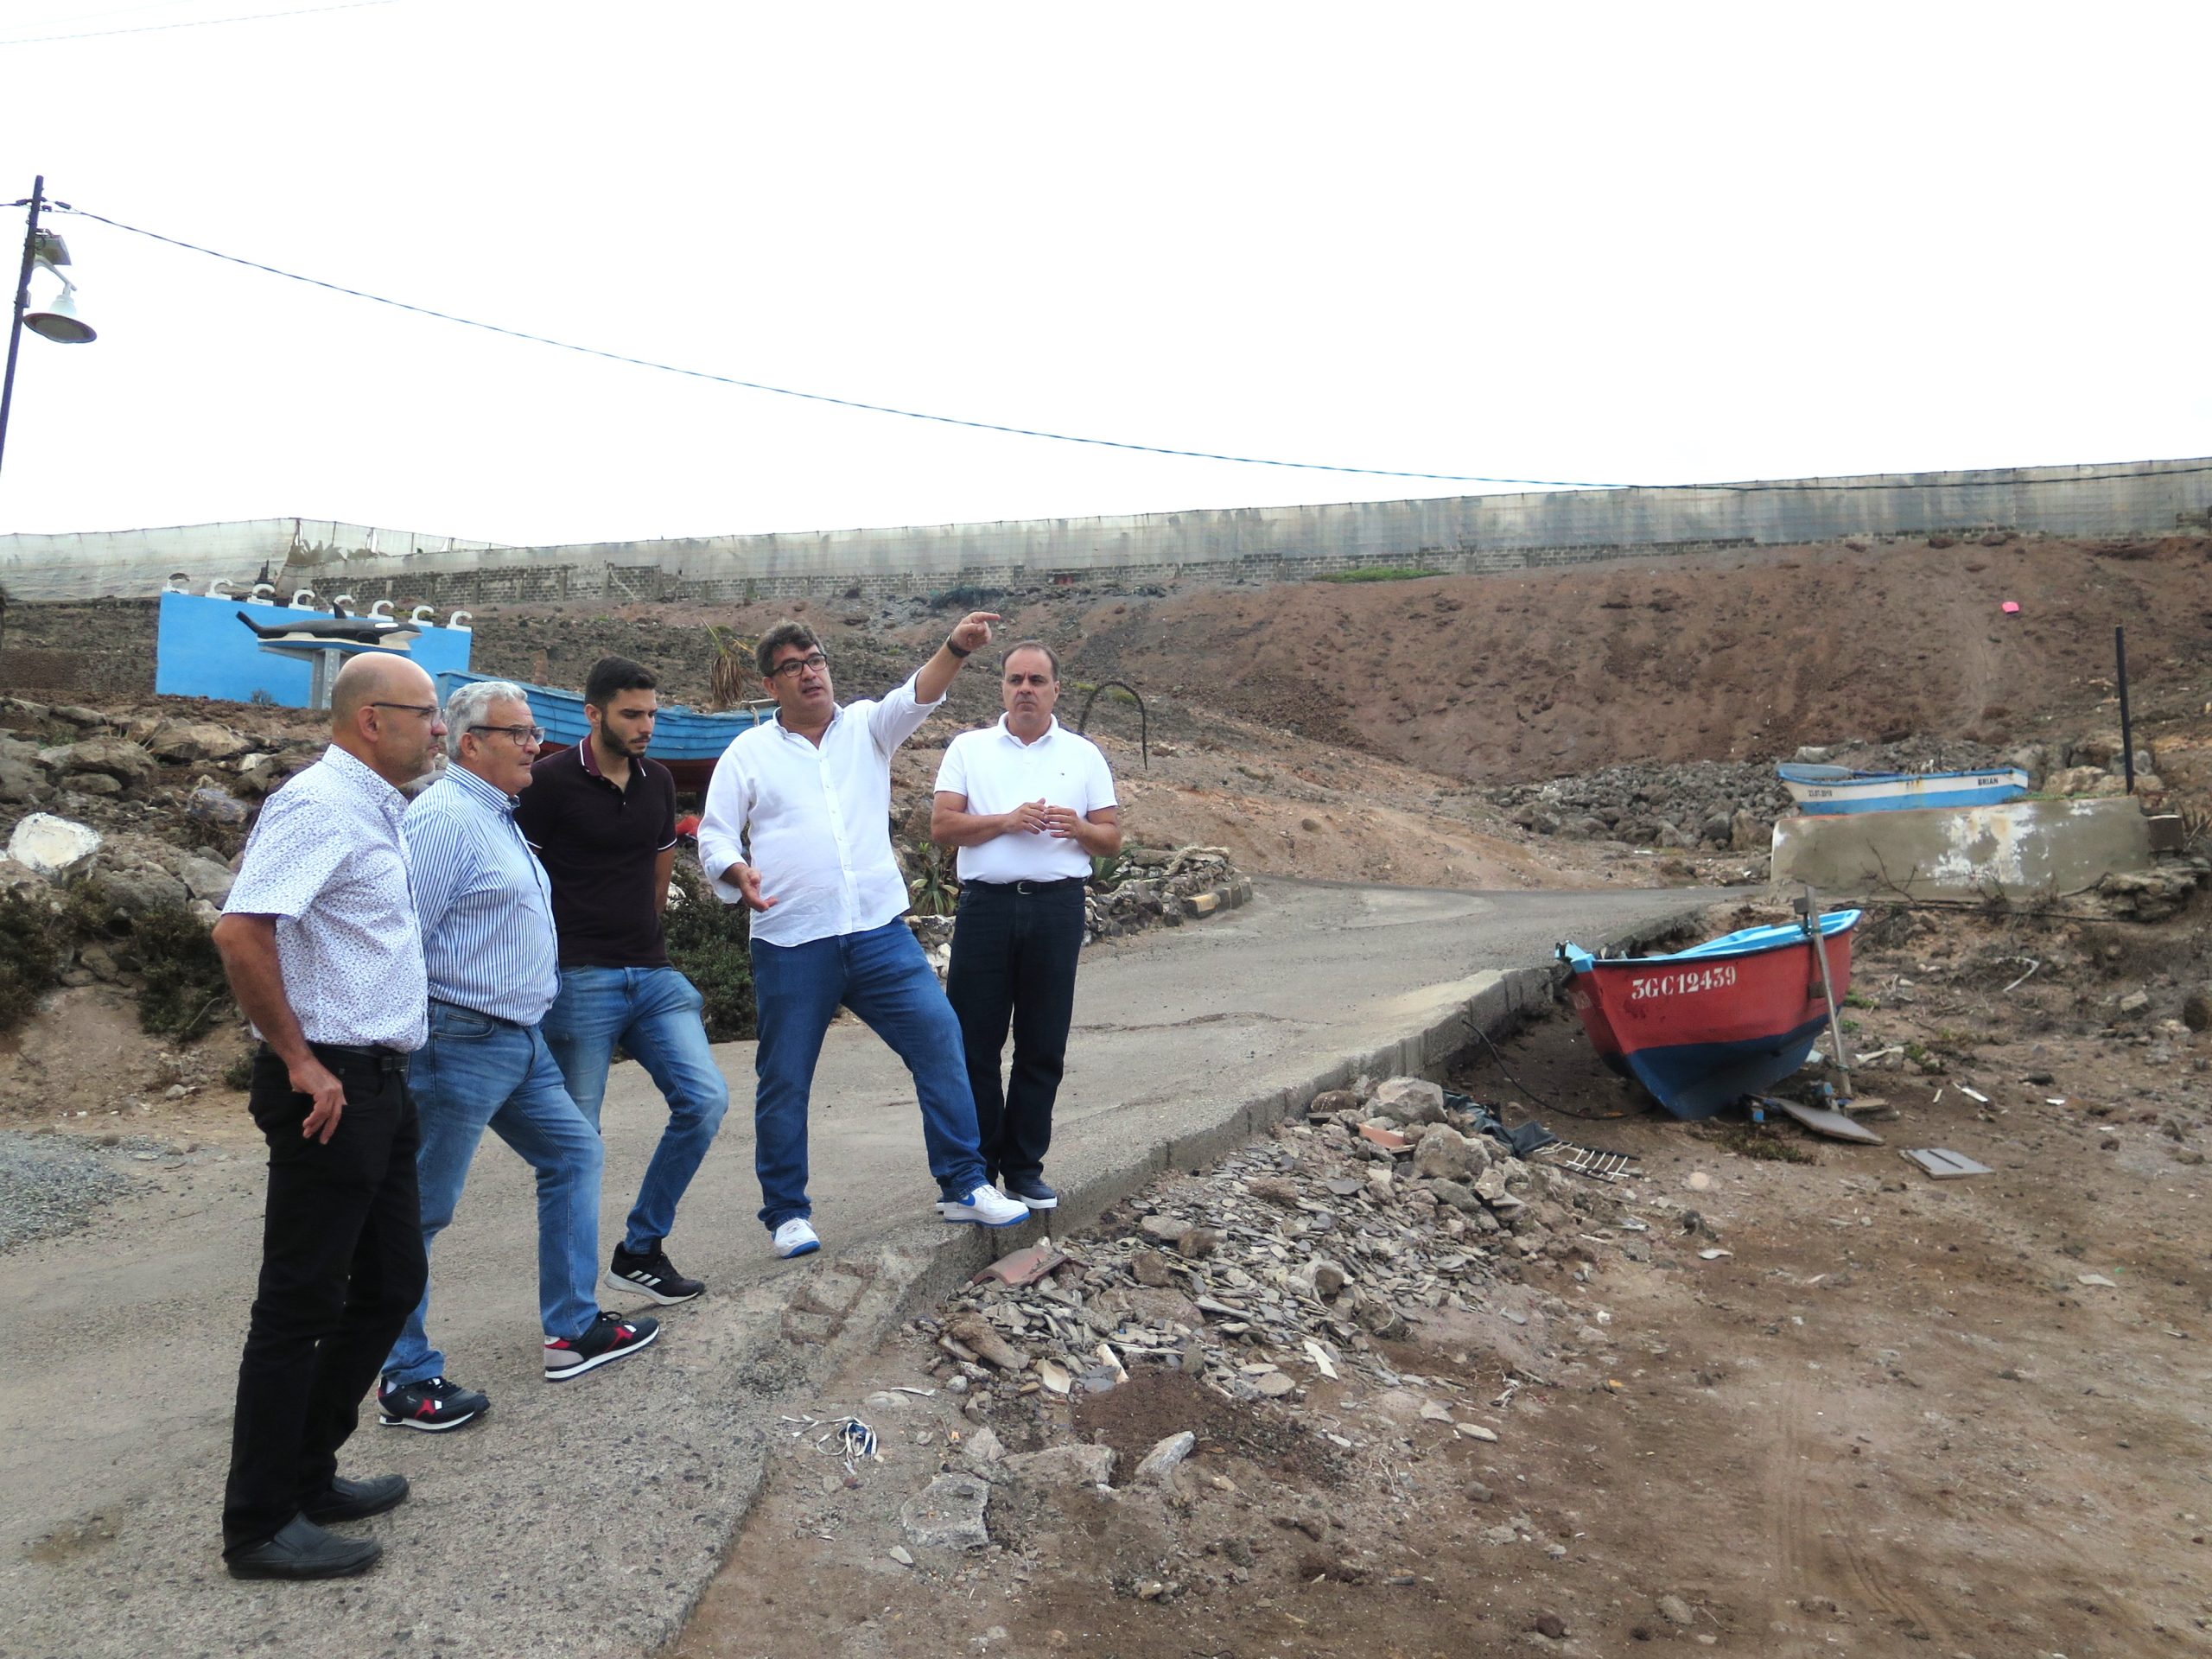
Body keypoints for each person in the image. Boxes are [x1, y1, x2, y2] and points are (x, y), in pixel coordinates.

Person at [210, 653, 442, 1580]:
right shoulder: (318, 806)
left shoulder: (377, 810)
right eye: (424, 714)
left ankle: (308, 1475)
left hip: (381, 1081)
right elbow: (241, 929)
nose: (438, 729)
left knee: (389, 1283)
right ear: (369, 720)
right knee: (299, 1304)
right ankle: (259, 1523)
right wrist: (300, 1060)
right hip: (330, 1086)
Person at [696, 614, 1032, 1258]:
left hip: (879, 932)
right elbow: (714, 831)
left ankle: (964, 1183)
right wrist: (735, 870)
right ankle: (787, 1213)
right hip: (793, 940)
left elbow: (919, 693)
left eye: (815, 659)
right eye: (793, 666)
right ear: (772, 684)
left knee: (939, 1038)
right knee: (786, 1077)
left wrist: (957, 646)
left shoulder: (868, 729)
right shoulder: (748, 753)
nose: (809, 672)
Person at [377, 682, 659, 1434]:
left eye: (535, 731)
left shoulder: (493, 815)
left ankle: (571, 1332)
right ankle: (403, 1378)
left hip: (518, 1039)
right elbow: (403, 936)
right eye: (520, 733)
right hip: (459, 1040)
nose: (538, 743)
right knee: (419, 1212)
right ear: (471, 744)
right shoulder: (442, 820)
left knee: (574, 1155)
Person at [512, 656, 727, 1306]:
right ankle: (573, 1313)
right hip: (578, 977)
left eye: (653, 714)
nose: (646, 726)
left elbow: (660, 867)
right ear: (594, 713)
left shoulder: (659, 781)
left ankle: (640, 1250)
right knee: (578, 1142)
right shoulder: (547, 782)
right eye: (632, 714)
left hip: (651, 972)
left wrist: (647, 941)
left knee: (705, 1101)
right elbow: (523, 883)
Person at [931, 641, 1120, 1211]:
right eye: (1016, 679)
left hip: (1056, 908)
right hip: (985, 909)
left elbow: (1111, 839)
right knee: (974, 1045)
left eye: (1037, 680)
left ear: (1056, 689)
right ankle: (978, 1172)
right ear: (1002, 688)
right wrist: (1006, 821)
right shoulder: (968, 749)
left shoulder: (1084, 755)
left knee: (1042, 1043)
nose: (1026, 689)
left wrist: (1078, 828)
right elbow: (942, 825)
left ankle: (1024, 1169)